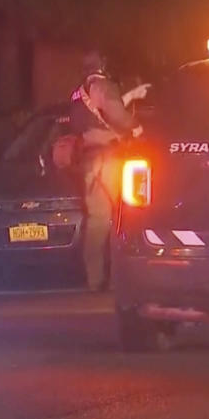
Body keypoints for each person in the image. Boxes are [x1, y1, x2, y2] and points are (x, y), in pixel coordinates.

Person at [69, 50, 147, 292]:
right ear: (102, 65)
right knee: (122, 218)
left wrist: (132, 95)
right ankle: (119, 278)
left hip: (90, 162)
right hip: (111, 159)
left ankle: (94, 280)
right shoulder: (103, 85)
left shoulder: (80, 91)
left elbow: (99, 111)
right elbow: (113, 111)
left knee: (97, 221)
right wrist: (136, 128)